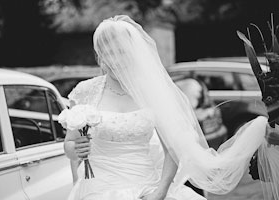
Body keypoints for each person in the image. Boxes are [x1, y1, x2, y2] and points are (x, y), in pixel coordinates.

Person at [62, 15, 279, 200]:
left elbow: (172, 150)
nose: (115, 58)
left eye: (121, 51)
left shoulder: (150, 92)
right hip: (98, 188)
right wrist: (76, 148)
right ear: (99, 56)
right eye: (109, 52)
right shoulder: (85, 91)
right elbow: (69, 145)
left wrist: (160, 192)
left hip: (148, 184)